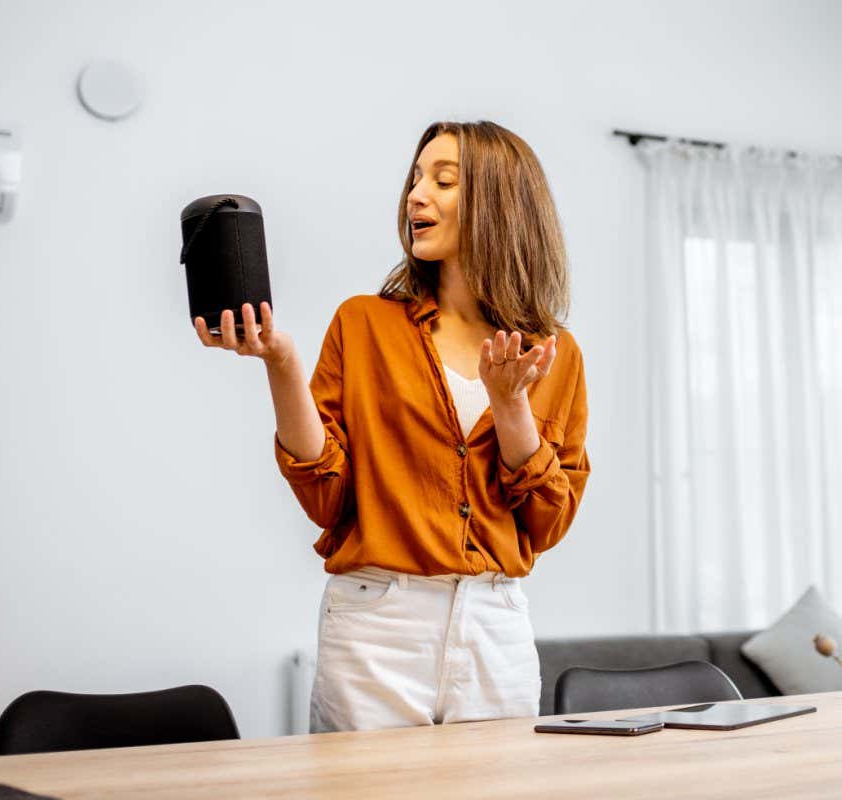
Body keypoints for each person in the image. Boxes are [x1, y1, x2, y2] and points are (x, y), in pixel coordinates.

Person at [193, 120, 590, 733]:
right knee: (366, 784)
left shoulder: (554, 354)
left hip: (496, 627)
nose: (415, 195)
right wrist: (281, 363)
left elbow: (546, 524)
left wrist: (510, 405)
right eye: (415, 178)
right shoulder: (363, 324)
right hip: (377, 626)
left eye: (443, 181)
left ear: (501, 203)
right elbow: (326, 498)